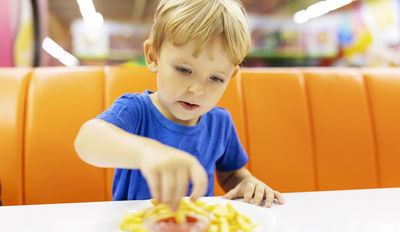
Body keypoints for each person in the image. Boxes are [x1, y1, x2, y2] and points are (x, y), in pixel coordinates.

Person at [74, 0, 284, 210]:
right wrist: (148, 152)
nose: (198, 90)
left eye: (216, 79)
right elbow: (87, 140)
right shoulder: (136, 110)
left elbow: (231, 174)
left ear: (231, 77)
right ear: (153, 56)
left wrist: (247, 183)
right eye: (184, 70)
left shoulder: (220, 123)